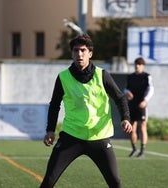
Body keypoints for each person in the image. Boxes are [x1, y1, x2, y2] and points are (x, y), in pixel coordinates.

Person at [40, 34, 132, 188]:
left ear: (90, 53)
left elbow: (120, 98)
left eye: (83, 50)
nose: (79, 54)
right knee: (49, 181)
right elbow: (55, 105)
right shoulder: (63, 77)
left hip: (99, 138)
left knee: (115, 182)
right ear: (72, 53)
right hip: (71, 137)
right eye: (76, 51)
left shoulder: (102, 75)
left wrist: (125, 118)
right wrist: (50, 130)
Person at [124, 57, 154, 158]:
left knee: (142, 127)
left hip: (141, 105)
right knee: (131, 128)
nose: (137, 66)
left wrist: (145, 100)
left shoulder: (147, 76)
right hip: (131, 105)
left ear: (143, 66)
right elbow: (126, 88)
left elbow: (151, 89)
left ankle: (142, 150)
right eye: (136, 64)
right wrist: (127, 92)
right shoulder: (131, 76)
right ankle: (134, 149)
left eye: (139, 64)